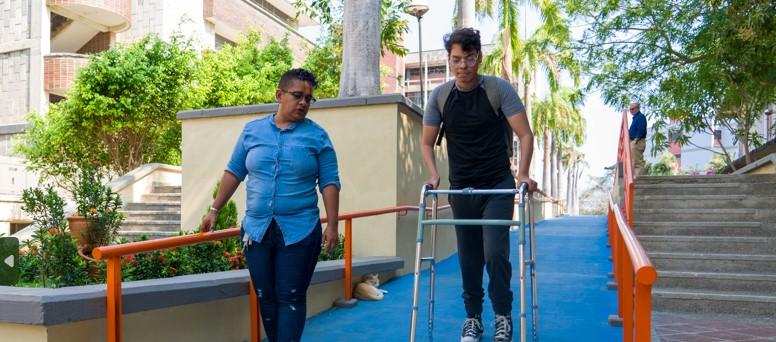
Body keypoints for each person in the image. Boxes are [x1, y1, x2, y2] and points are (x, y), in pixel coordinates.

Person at [200, 68, 340, 342]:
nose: (303, 103)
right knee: (266, 297)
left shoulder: (318, 136)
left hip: (300, 229)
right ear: (279, 95)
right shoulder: (252, 131)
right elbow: (234, 171)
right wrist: (215, 209)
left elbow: (330, 182)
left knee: (290, 296)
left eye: (309, 99)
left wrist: (332, 225)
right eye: (298, 95)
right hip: (257, 230)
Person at [421, 28, 537, 342]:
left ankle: (502, 316)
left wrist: (523, 173)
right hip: (461, 189)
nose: (463, 66)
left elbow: (525, 134)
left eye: (469, 59)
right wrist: (433, 175)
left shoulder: (498, 90)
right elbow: (427, 143)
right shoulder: (441, 96)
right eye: (456, 60)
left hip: (497, 186)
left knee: (494, 253)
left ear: (478, 58)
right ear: (449, 61)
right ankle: (473, 319)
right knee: (469, 258)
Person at [628, 102, 647, 177]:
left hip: (638, 141)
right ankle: (636, 177)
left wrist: (636, 139)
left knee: (637, 162)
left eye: (632, 109)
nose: (631, 111)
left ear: (638, 108)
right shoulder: (635, 118)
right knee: (633, 161)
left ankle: (640, 179)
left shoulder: (640, 117)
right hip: (634, 141)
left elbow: (641, 130)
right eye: (630, 109)